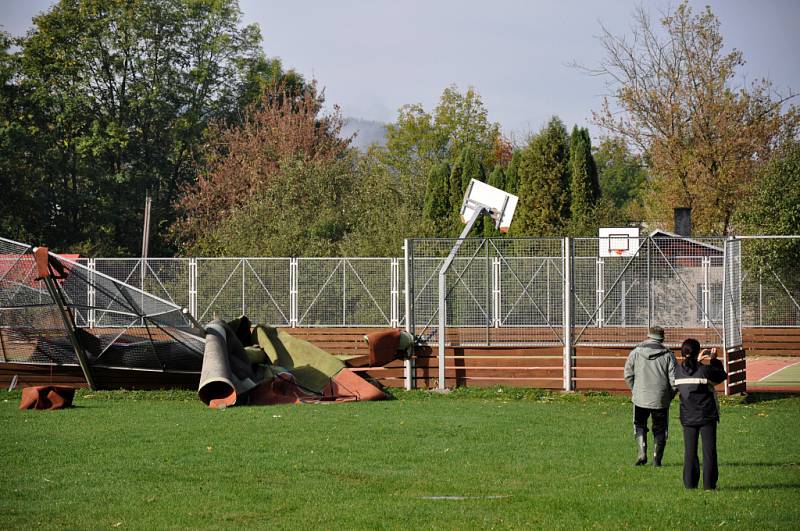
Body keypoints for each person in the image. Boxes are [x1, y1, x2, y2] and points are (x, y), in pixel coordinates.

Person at [675, 339, 727, 490]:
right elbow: (721, 376)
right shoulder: (705, 371)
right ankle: (709, 485)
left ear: (682, 353)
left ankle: (690, 484)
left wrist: (695, 361)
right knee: (709, 451)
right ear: (698, 352)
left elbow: (687, 372)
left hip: (687, 416)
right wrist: (714, 360)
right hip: (706, 416)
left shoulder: (677, 371)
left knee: (690, 452)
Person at [624, 325, 676, 467]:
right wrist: (669, 395)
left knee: (639, 425)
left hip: (640, 398)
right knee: (660, 428)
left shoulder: (635, 352)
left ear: (648, 335)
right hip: (661, 400)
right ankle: (656, 459)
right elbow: (674, 381)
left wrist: (635, 390)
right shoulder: (668, 355)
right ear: (662, 338)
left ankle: (642, 452)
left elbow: (628, 374)